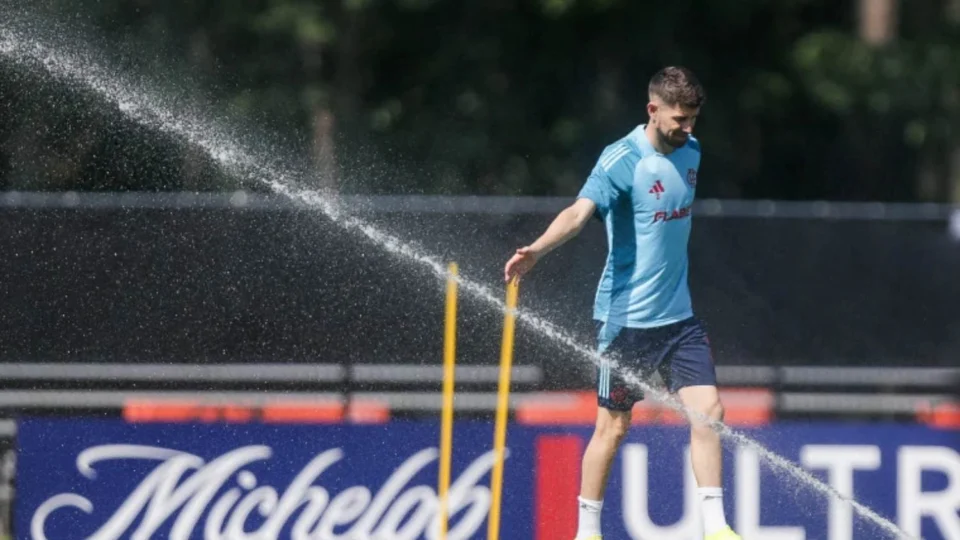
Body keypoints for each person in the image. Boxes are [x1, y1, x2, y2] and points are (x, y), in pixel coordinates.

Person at [504, 66, 740, 540]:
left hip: (679, 321)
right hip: (625, 322)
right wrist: (537, 250)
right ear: (652, 110)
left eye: (693, 118)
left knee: (709, 411)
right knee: (612, 428)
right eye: (679, 119)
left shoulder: (691, 151)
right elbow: (578, 213)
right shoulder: (621, 159)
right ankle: (586, 531)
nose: (688, 128)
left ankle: (716, 529)